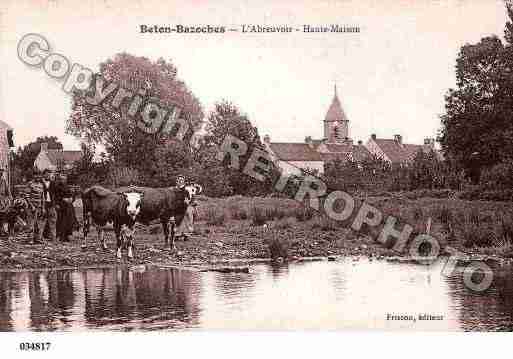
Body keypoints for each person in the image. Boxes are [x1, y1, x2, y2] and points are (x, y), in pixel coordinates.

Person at [54, 172, 78, 242]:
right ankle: (60, 236)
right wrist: (62, 200)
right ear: (59, 180)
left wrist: (71, 199)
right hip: (61, 206)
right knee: (61, 221)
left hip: (69, 206)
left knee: (70, 220)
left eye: (64, 179)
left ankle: (69, 234)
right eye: (61, 179)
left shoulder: (68, 187)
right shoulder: (57, 187)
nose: (63, 181)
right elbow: (55, 196)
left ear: (66, 180)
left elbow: (72, 195)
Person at [174, 175, 196, 240]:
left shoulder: (187, 190)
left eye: (181, 180)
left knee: (188, 215)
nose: (180, 181)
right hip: (177, 206)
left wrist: (190, 203)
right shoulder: (174, 189)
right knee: (177, 219)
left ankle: (187, 234)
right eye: (179, 180)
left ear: (183, 182)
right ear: (176, 181)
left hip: (186, 206)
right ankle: (177, 234)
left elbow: (190, 198)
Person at [39, 169, 57, 242]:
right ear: (43, 175)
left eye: (49, 174)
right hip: (42, 203)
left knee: (52, 220)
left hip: (51, 203)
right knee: (42, 221)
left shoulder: (52, 183)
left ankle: (53, 237)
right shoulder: (40, 183)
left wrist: (54, 203)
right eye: (46, 174)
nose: (48, 175)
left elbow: (54, 194)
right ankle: (40, 237)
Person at [0, 168, 11, 236]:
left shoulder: (4, 181)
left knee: (2, 216)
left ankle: (2, 231)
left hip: (2, 202)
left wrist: (10, 199)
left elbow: (8, 191)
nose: (1, 173)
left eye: (1, 172)